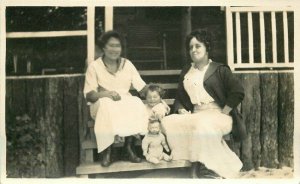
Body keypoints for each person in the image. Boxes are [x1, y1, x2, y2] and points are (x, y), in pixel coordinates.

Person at [161, 29, 246, 178]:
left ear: (207, 47)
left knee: (202, 126)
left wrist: (224, 111)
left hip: (219, 115)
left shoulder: (220, 70)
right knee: (169, 121)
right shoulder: (187, 71)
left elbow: (237, 91)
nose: (193, 50)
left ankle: (200, 168)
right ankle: (194, 163)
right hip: (196, 114)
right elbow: (180, 97)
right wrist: (180, 109)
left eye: (198, 46)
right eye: (190, 47)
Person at [83, 30, 148, 167]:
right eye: (111, 45)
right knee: (107, 104)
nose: (114, 49)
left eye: (117, 46)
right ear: (103, 48)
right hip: (101, 104)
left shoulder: (127, 64)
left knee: (135, 102)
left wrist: (155, 93)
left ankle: (128, 148)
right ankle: (107, 151)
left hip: (123, 103)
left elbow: (141, 87)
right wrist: (106, 94)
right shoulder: (94, 67)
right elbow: (89, 95)